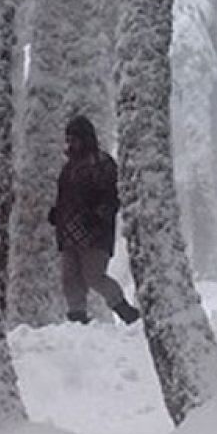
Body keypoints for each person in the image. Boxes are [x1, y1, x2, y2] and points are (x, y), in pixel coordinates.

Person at [48, 115, 140, 325]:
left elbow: (112, 196)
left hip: (95, 234)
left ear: (86, 138)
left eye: (75, 139)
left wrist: (99, 216)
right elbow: (64, 197)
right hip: (68, 233)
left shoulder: (103, 164)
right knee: (69, 278)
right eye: (69, 139)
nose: (71, 144)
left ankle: (127, 313)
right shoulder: (68, 168)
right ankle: (77, 319)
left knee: (94, 276)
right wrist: (57, 213)